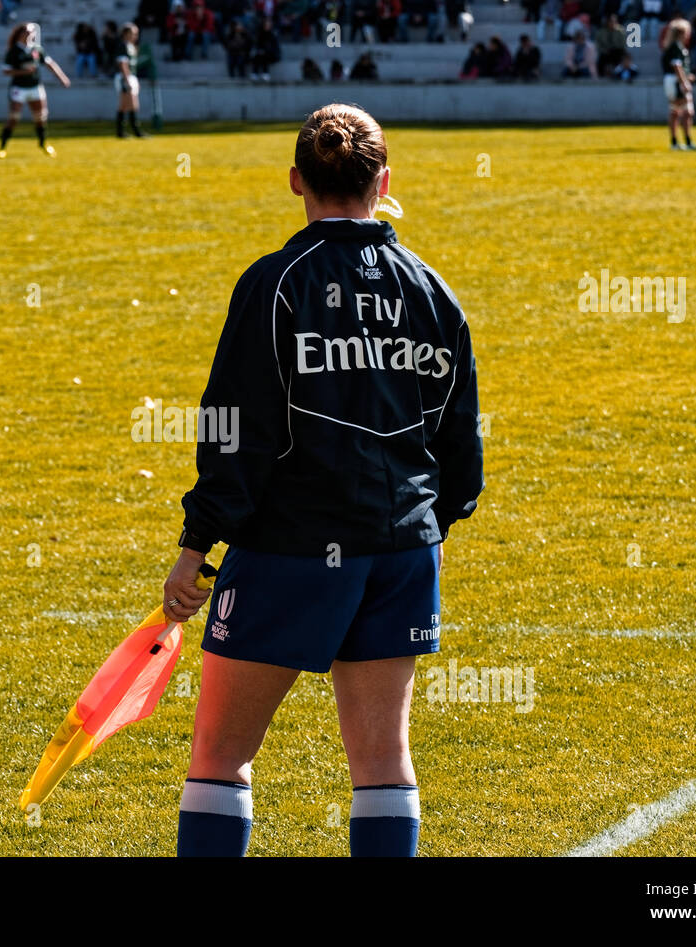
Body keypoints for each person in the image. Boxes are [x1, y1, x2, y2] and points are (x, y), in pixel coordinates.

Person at [165, 102, 483, 858]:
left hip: (292, 546)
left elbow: (234, 426)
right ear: (385, 179)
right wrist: (436, 522)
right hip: (400, 549)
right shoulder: (432, 291)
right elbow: (459, 443)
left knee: (221, 757)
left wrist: (194, 543)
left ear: (295, 182)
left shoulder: (276, 283)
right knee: (381, 763)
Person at [0, 22, 69, 156]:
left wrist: (62, 78)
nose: (31, 34)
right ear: (21, 34)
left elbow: (50, 64)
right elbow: (6, 71)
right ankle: (2, 147)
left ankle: (43, 144)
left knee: (40, 117)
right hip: (19, 88)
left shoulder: (37, 49)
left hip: (35, 87)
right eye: (29, 32)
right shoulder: (13, 51)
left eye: (33, 32)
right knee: (14, 118)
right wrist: (23, 72)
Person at [661, 18, 696, 151]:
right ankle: (683, 142)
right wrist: (684, 82)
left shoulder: (675, 46)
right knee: (683, 111)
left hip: (672, 80)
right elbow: (676, 65)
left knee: (678, 111)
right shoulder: (676, 47)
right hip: (675, 82)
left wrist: (688, 76)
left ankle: (677, 142)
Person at [113, 22, 147, 136]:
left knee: (125, 105)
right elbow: (123, 64)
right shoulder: (122, 46)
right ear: (126, 34)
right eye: (133, 33)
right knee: (131, 104)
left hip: (131, 76)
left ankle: (121, 132)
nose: (135, 36)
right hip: (124, 77)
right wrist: (127, 80)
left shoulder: (131, 46)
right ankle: (135, 130)